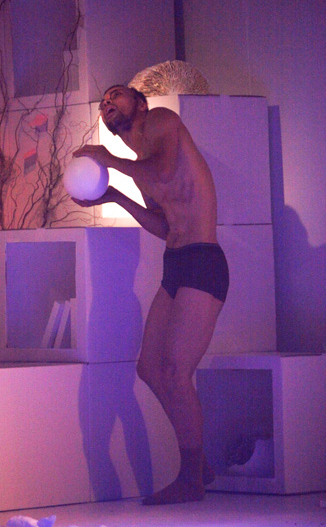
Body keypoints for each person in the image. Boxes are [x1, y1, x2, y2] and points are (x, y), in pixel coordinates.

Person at [72, 84, 229, 505]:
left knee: (176, 370)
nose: (107, 103)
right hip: (176, 263)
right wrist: (113, 195)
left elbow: (160, 172)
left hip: (203, 260)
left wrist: (107, 159)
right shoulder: (141, 165)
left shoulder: (160, 121)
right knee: (149, 369)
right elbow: (163, 226)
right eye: (103, 102)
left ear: (139, 103)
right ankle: (199, 463)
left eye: (115, 95)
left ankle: (191, 478)